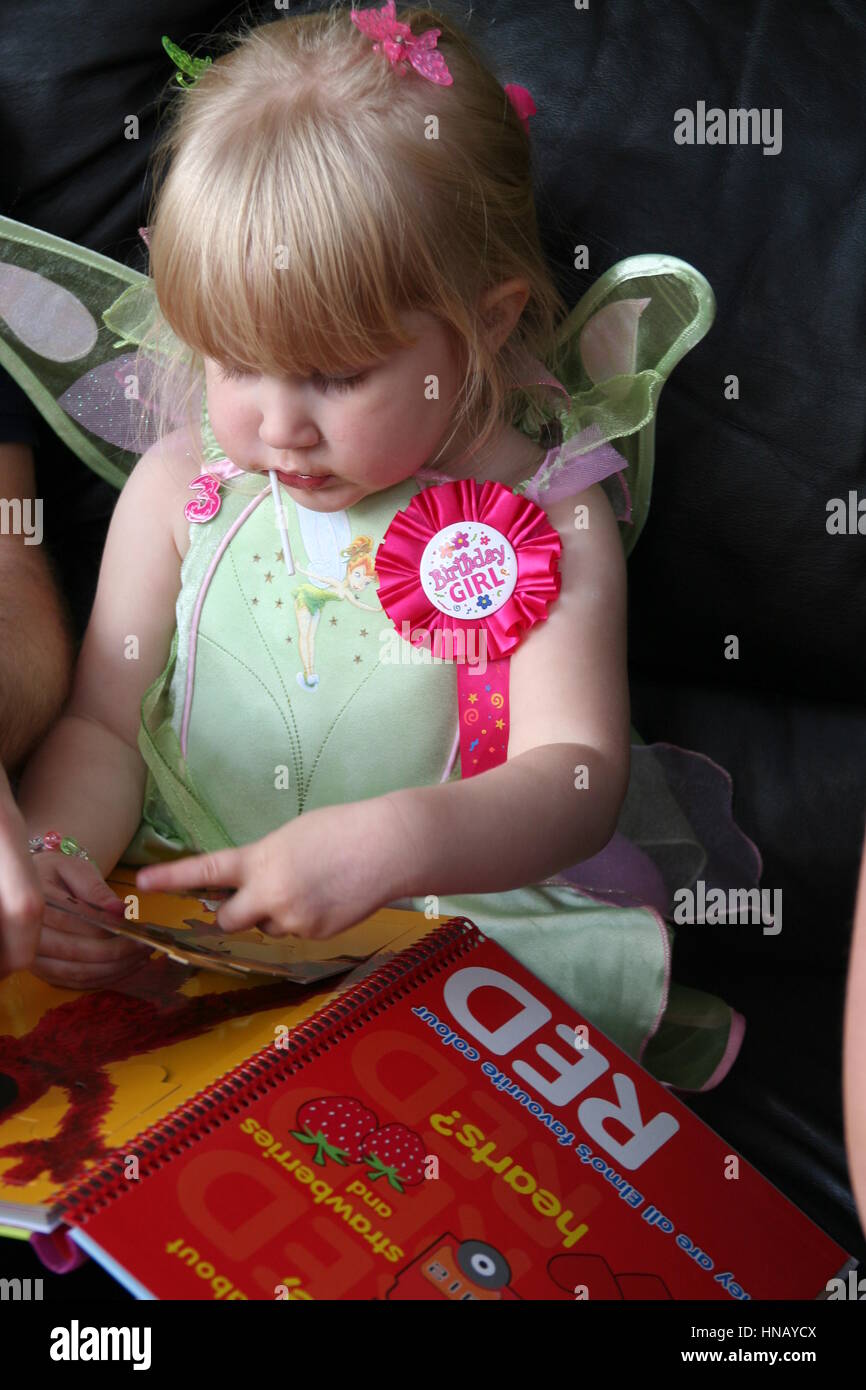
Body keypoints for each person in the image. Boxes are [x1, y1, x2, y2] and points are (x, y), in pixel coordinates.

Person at [13, 7, 758, 1088]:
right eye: (232, 361)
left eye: (331, 374)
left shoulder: (540, 508)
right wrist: (58, 856)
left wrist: (392, 842)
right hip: (193, 915)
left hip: (429, 925)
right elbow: (99, 727)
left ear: (488, 323)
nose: (276, 425)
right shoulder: (183, 488)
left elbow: (575, 775)